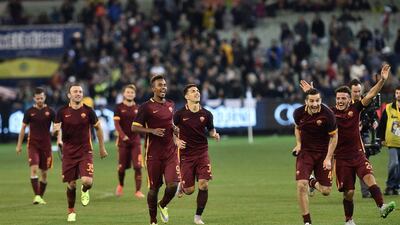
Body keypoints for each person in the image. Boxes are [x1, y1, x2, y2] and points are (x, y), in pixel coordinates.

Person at [301, 64, 396, 225]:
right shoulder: (330, 113)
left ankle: (382, 206)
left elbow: (371, 94)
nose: (340, 100)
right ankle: (349, 220)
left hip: (358, 154)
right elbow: (314, 108)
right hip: (341, 159)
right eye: (338, 98)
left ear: (349, 98)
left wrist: (382, 81)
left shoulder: (356, 108)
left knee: (370, 178)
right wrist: (312, 93)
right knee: (349, 193)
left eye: (343, 98)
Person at [53, 83, 108, 222]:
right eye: (75, 91)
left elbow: (99, 129)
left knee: (87, 181)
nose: (78, 93)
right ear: (69, 95)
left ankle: (85, 191)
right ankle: (71, 211)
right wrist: (57, 136)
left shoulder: (89, 111)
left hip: (85, 151)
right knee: (71, 184)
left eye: (80, 91)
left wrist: (102, 148)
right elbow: (57, 129)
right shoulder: (61, 112)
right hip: (69, 153)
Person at [132, 75, 180, 225]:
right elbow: (134, 127)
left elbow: (172, 125)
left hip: (171, 152)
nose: (163, 87)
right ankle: (153, 220)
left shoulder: (171, 104)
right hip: (153, 155)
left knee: (173, 185)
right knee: (154, 189)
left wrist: (176, 130)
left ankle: (163, 204)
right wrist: (152, 131)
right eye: (160, 85)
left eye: (165, 85)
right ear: (153, 88)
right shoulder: (145, 107)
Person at [174, 84, 220, 225]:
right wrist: (176, 140)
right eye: (193, 91)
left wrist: (214, 134)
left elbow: (211, 129)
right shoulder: (179, 114)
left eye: (198, 91)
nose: (197, 93)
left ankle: (198, 217)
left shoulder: (207, 114)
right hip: (186, 155)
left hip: (202, 152)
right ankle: (182, 186)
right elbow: (172, 131)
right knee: (189, 191)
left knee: (204, 184)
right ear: (186, 96)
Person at [292, 88, 338, 225]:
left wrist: (328, 158)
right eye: (311, 101)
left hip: (323, 153)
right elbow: (297, 128)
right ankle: (307, 222)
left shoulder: (328, 115)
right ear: (306, 101)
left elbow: (334, 137)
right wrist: (299, 144)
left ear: (321, 100)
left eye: (317, 100)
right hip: (306, 153)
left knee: (326, 191)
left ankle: (311, 181)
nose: (315, 104)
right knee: (301, 185)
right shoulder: (298, 113)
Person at [16, 87, 55, 204]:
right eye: (37, 98)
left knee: (44, 173)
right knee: (34, 169)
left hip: (46, 146)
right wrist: (19, 145)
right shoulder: (29, 112)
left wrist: (57, 134)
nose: (39, 100)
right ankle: (37, 196)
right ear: (34, 98)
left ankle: (39, 197)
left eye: (41, 98)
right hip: (33, 144)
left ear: (45, 97)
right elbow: (23, 128)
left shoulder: (51, 111)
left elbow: (57, 126)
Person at [349, 79, 380, 198]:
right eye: (355, 91)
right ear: (350, 91)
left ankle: (366, 191)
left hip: (364, 135)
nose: (357, 94)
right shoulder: (346, 103)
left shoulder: (366, 102)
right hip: (348, 137)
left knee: (363, 161)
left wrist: (375, 122)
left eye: (358, 91)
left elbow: (374, 116)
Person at [113, 84, 145, 198]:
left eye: (132, 92)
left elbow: (141, 124)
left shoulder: (139, 108)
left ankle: (138, 191)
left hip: (135, 142)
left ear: (135, 94)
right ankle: (121, 185)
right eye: (128, 92)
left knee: (138, 166)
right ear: (124, 94)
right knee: (122, 168)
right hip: (123, 142)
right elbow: (116, 125)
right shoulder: (118, 107)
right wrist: (123, 136)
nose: (130, 94)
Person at [377, 86, 400, 196]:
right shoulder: (389, 107)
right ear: (395, 95)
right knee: (394, 164)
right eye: (397, 93)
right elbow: (382, 123)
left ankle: (395, 187)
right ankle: (390, 185)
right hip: (392, 143)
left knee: (399, 167)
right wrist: (381, 138)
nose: (398, 95)